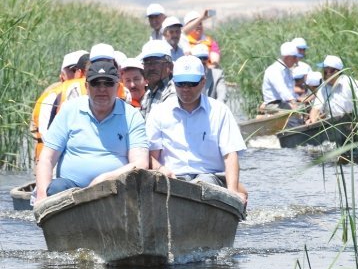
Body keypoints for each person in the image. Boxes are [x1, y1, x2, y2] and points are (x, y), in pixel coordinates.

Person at [34, 60, 149, 203]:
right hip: (70, 190)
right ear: (87, 86)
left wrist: (105, 179)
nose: (102, 89)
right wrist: (41, 197)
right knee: (55, 188)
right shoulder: (69, 110)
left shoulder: (132, 115)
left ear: (117, 86)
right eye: (96, 83)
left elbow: (141, 163)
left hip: (115, 190)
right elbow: (47, 158)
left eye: (108, 83)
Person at [146, 55, 247, 204]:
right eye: (181, 84)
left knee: (204, 182)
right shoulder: (159, 112)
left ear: (203, 82)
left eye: (191, 83)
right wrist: (160, 168)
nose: (186, 89)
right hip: (173, 179)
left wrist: (232, 191)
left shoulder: (220, 111)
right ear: (174, 82)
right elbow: (150, 155)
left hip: (210, 177)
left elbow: (230, 155)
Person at [307, 55, 358, 124]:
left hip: (355, 123)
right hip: (333, 126)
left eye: (327, 71)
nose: (325, 73)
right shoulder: (323, 88)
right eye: (324, 71)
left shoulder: (350, 83)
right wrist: (313, 122)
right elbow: (316, 109)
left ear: (336, 71)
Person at [260, 41, 301, 114]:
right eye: (294, 57)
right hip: (274, 105)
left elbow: (290, 90)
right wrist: (294, 104)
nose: (296, 60)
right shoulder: (274, 70)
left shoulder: (287, 70)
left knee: (304, 107)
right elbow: (282, 90)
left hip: (284, 103)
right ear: (287, 57)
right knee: (294, 113)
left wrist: (297, 101)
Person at [140, 39, 175, 117]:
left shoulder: (173, 92)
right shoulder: (149, 93)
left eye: (156, 62)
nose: (151, 67)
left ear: (170, 66)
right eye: (147, 63)